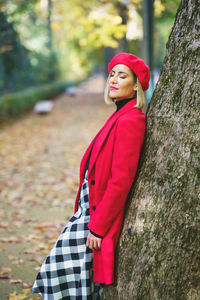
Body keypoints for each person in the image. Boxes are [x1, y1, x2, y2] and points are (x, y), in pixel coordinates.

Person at [32, 52, 150, 299]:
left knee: (57, 274)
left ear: (136, 85)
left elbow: (121, 181)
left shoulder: (132, 119)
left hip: (95, 217)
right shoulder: (119, 115)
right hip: (87, 210)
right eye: (112, 75)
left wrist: (97, 228)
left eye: (122, 75)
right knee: (72, 281)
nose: (113, 80)